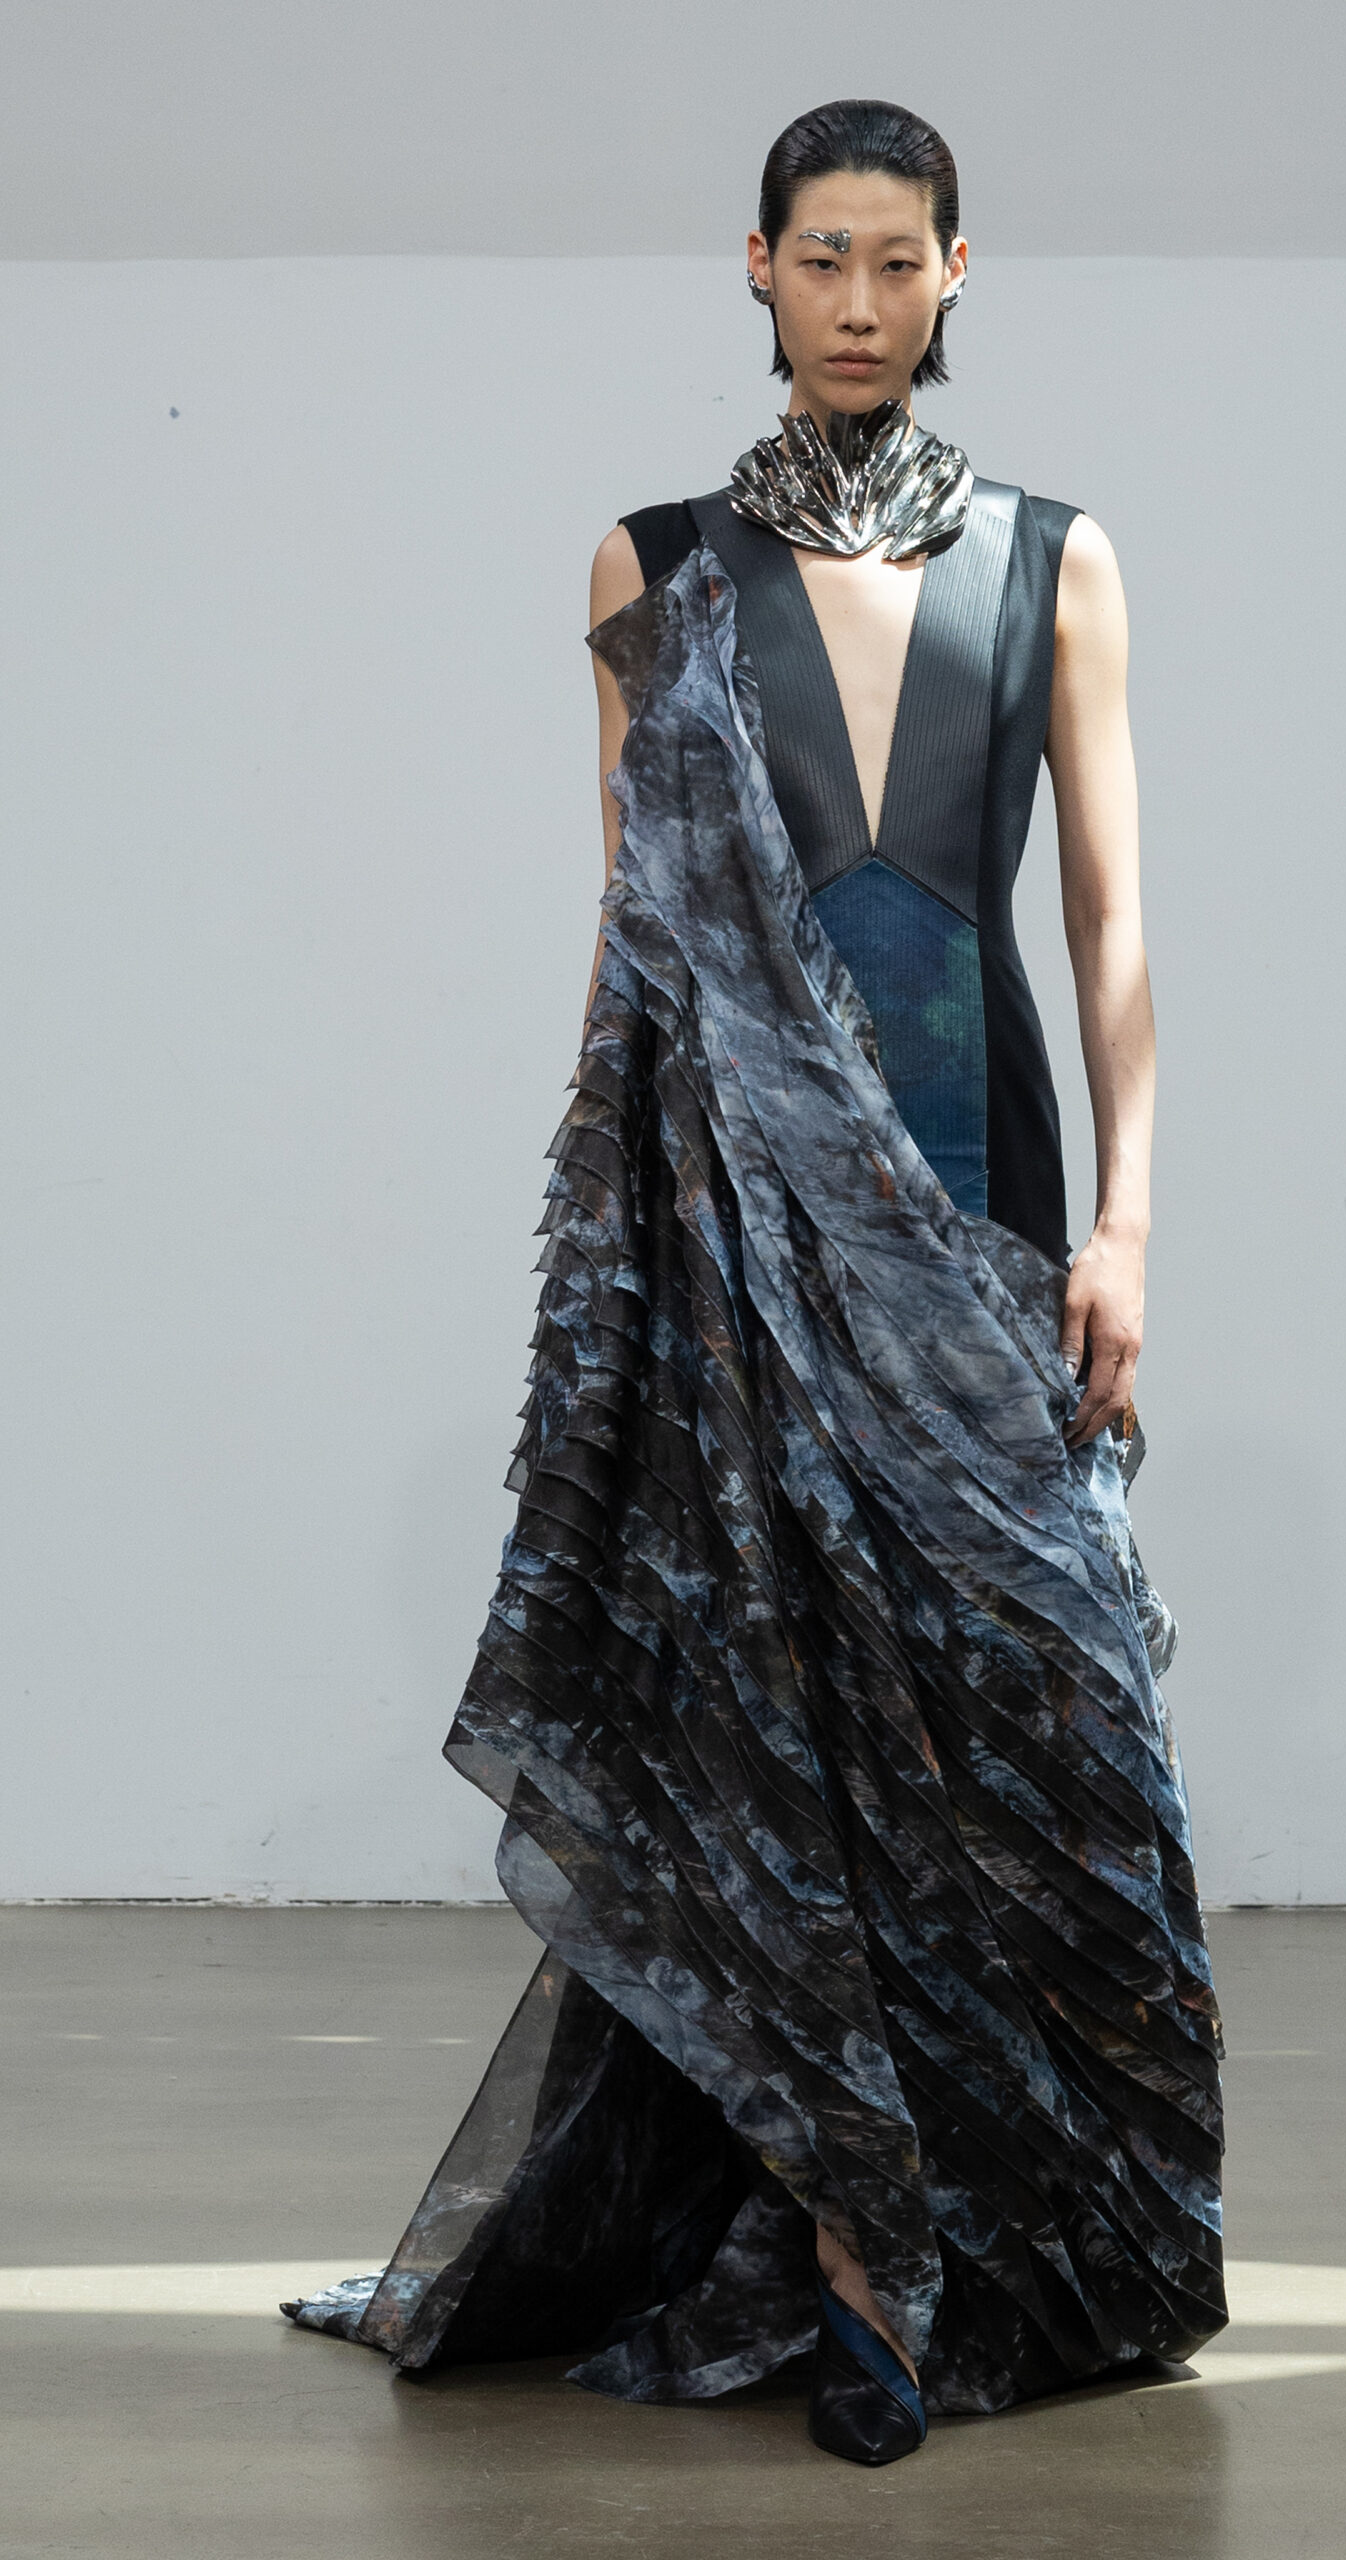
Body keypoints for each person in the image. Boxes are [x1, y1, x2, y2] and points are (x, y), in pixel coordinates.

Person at [285, 97, 1227, 2469]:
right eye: (821, 255)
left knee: (1024, 1723)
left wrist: (1125, 1220)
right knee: (778, 1740)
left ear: (955, 272)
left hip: (984, 1195)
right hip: (737, 1222)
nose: (858, 299)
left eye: (898, 259)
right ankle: (859, 2258)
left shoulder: (1054, 560)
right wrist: (619, 1263)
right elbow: (640, 945)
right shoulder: (658, 568)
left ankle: (1016, 2215)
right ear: (754, 266)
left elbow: (1108, 919)